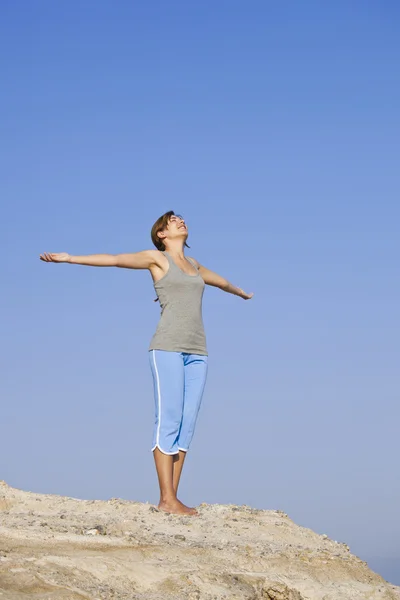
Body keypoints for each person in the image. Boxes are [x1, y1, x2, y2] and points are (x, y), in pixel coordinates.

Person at [40, 210, 253, 516]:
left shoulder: (194, 265)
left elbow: (220, 282)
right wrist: (70, 258)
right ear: (162, 234)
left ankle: (173, 499)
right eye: (174, 220)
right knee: (168, 421)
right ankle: (166, 499)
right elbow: (114, 259)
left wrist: (240, 292)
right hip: (167, 347)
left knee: (186, 424)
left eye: (181, 218)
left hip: (198, 352)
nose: (181, 221)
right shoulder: (157, 259)